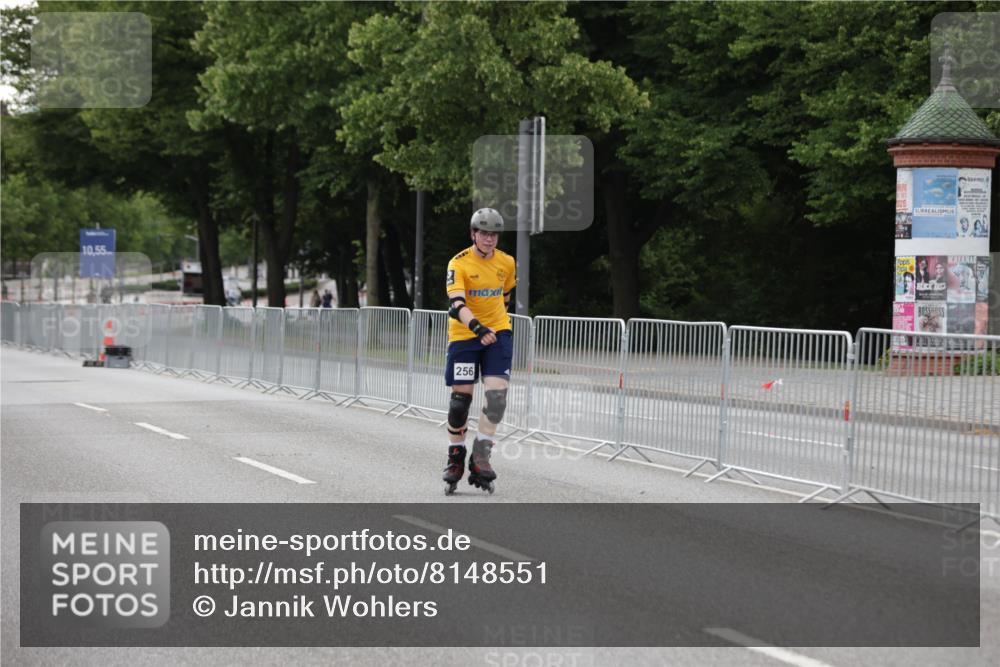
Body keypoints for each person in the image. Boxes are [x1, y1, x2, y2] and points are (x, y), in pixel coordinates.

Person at [441, 207, 517, 495]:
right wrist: (478, 328)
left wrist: (495, 328)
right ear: (474, 234)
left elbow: (505, 295)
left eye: (493, 234)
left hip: (498, 334)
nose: (489, 239)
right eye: (484, 233)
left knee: (496, 400)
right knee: (460, 404)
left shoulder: (507, 262)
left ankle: (481, 455)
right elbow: (456, 304)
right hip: (465, 335)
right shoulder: (458, 263)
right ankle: (455, 457)